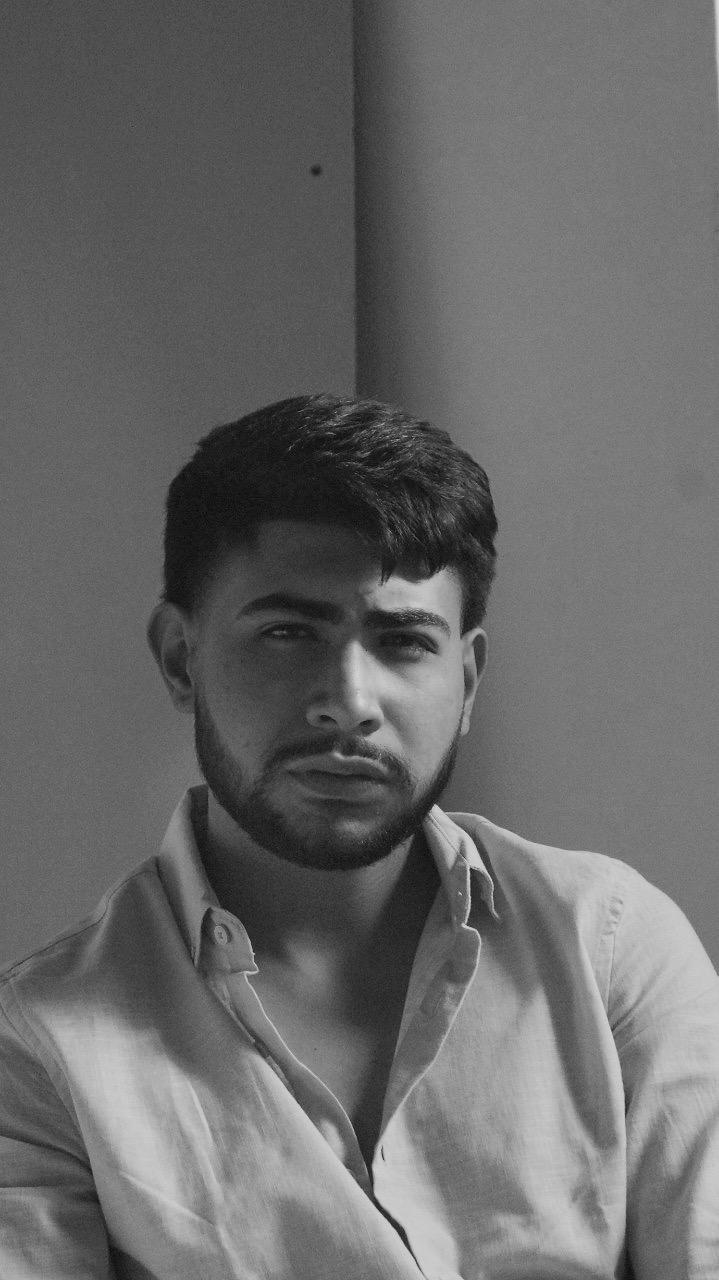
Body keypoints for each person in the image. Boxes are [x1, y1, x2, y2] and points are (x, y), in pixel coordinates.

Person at [1, 394, 717, 1280]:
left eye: (402, 641)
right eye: (287, 633)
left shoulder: (607, 946)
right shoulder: (39, 1046)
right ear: (181, 658)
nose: (347, 702)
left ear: (467, 679)